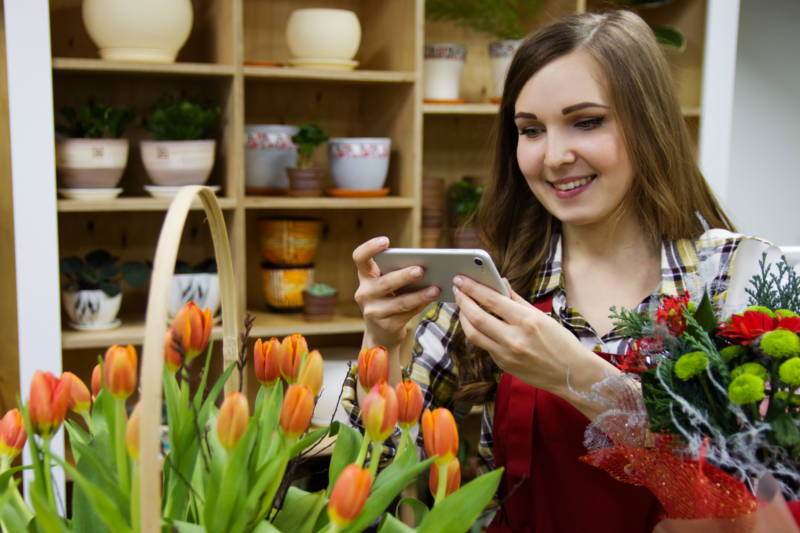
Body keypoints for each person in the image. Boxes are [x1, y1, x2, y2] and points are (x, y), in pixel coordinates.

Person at [343, 9, 775, 533]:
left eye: (587, 121)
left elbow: (758, 501)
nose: (554, 156)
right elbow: (364, 484)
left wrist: (578, 377)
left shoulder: (736, 279)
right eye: (530, 130)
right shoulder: (491, 286)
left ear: (649, 122)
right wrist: (382, 342)